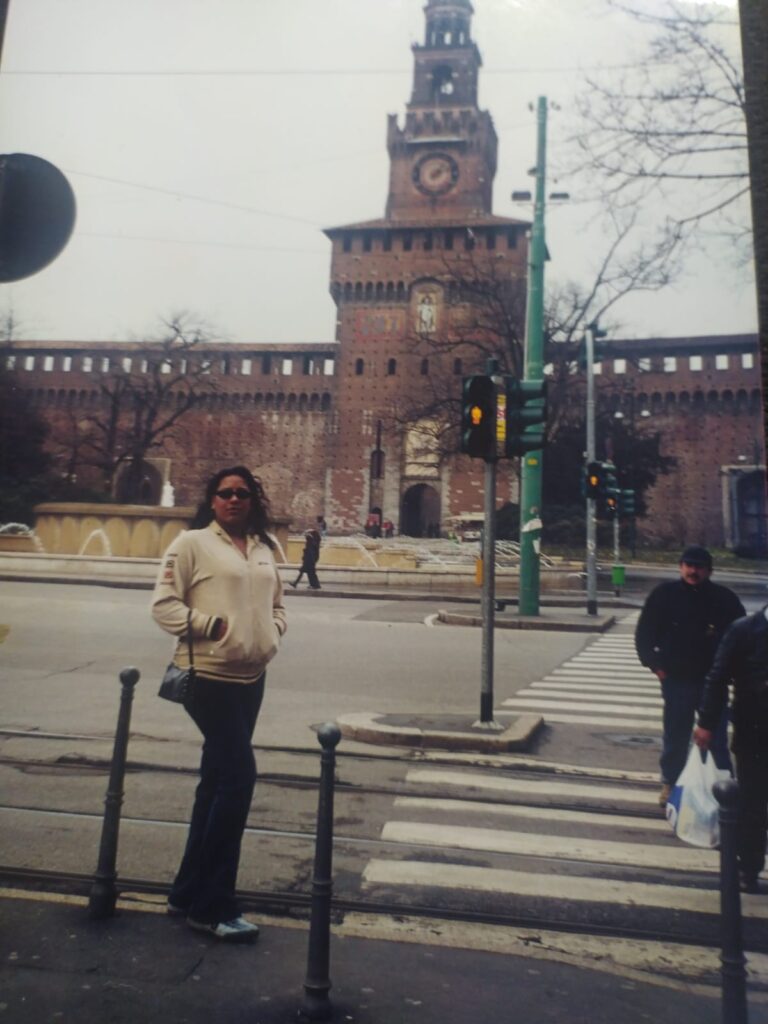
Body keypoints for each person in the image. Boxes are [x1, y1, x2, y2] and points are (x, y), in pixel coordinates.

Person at [151, 466, 287, 941]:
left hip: (252, 678)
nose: (233, 499)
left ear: (253, 500)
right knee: (238, 779)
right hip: (207, 676)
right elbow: (163, 606)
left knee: (214, 784)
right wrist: (212, 626)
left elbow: (278, 606)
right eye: (224, 493)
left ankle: (186, 892)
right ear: (212, 500)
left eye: (242, 493)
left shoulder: (267, 547)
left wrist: (275, 632)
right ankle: (212, 906)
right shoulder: (190, 544)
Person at [635, 545, 745, 807]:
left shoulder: (724, 599)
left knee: (716, 737)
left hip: (713, 682)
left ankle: (723, 788)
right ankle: (670, 783)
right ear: (680, 566)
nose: (692, 571)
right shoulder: (664, 595)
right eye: (688, 565)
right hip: (677, 678)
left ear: (709, 570)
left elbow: (740, 637)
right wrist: (657, 667)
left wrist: (732, 671)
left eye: (698, 567)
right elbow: (645, 635)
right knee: (676, 734)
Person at [694, 608, 768, 893]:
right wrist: (706, 722)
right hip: (755, 733)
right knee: (752, 805)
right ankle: (749, 868)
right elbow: (718, 676)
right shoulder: (744, 630)